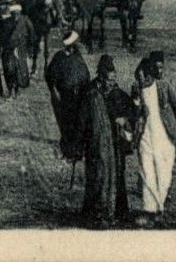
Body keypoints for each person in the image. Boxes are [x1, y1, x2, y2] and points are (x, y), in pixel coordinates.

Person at [132, 55, 176, 224]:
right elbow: (134, 114)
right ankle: (149, 210)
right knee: (147, 173)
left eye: (145, 76)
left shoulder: (164, 86)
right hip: (145, 136)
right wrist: (137, 106)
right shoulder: (136, 88)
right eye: (140, 77)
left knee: (163, 172)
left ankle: (159, 206)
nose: (143, 79)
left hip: (164, 136)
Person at [77, 55, 127, 226]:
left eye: (114, 79)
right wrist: (79, 143)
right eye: (108, 79)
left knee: (113, 177)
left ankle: (110, 213)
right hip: (95, 144)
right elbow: (82, 121)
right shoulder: (90, 94)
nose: (111, 83)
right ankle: (95, 214)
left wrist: (124, 120)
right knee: (97, 177)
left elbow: (127, 111)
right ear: (100, 77)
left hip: (112, 144)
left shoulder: (115, 93)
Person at [46, 30, 91, 162]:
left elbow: (84, 74)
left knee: (79, 123)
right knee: (67, 124)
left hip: (80, 95)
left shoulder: (78, 57)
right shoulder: (59, 58)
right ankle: (68, 151)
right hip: (65, 96)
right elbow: (50, 78)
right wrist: (55, 93)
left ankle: (78, 150)